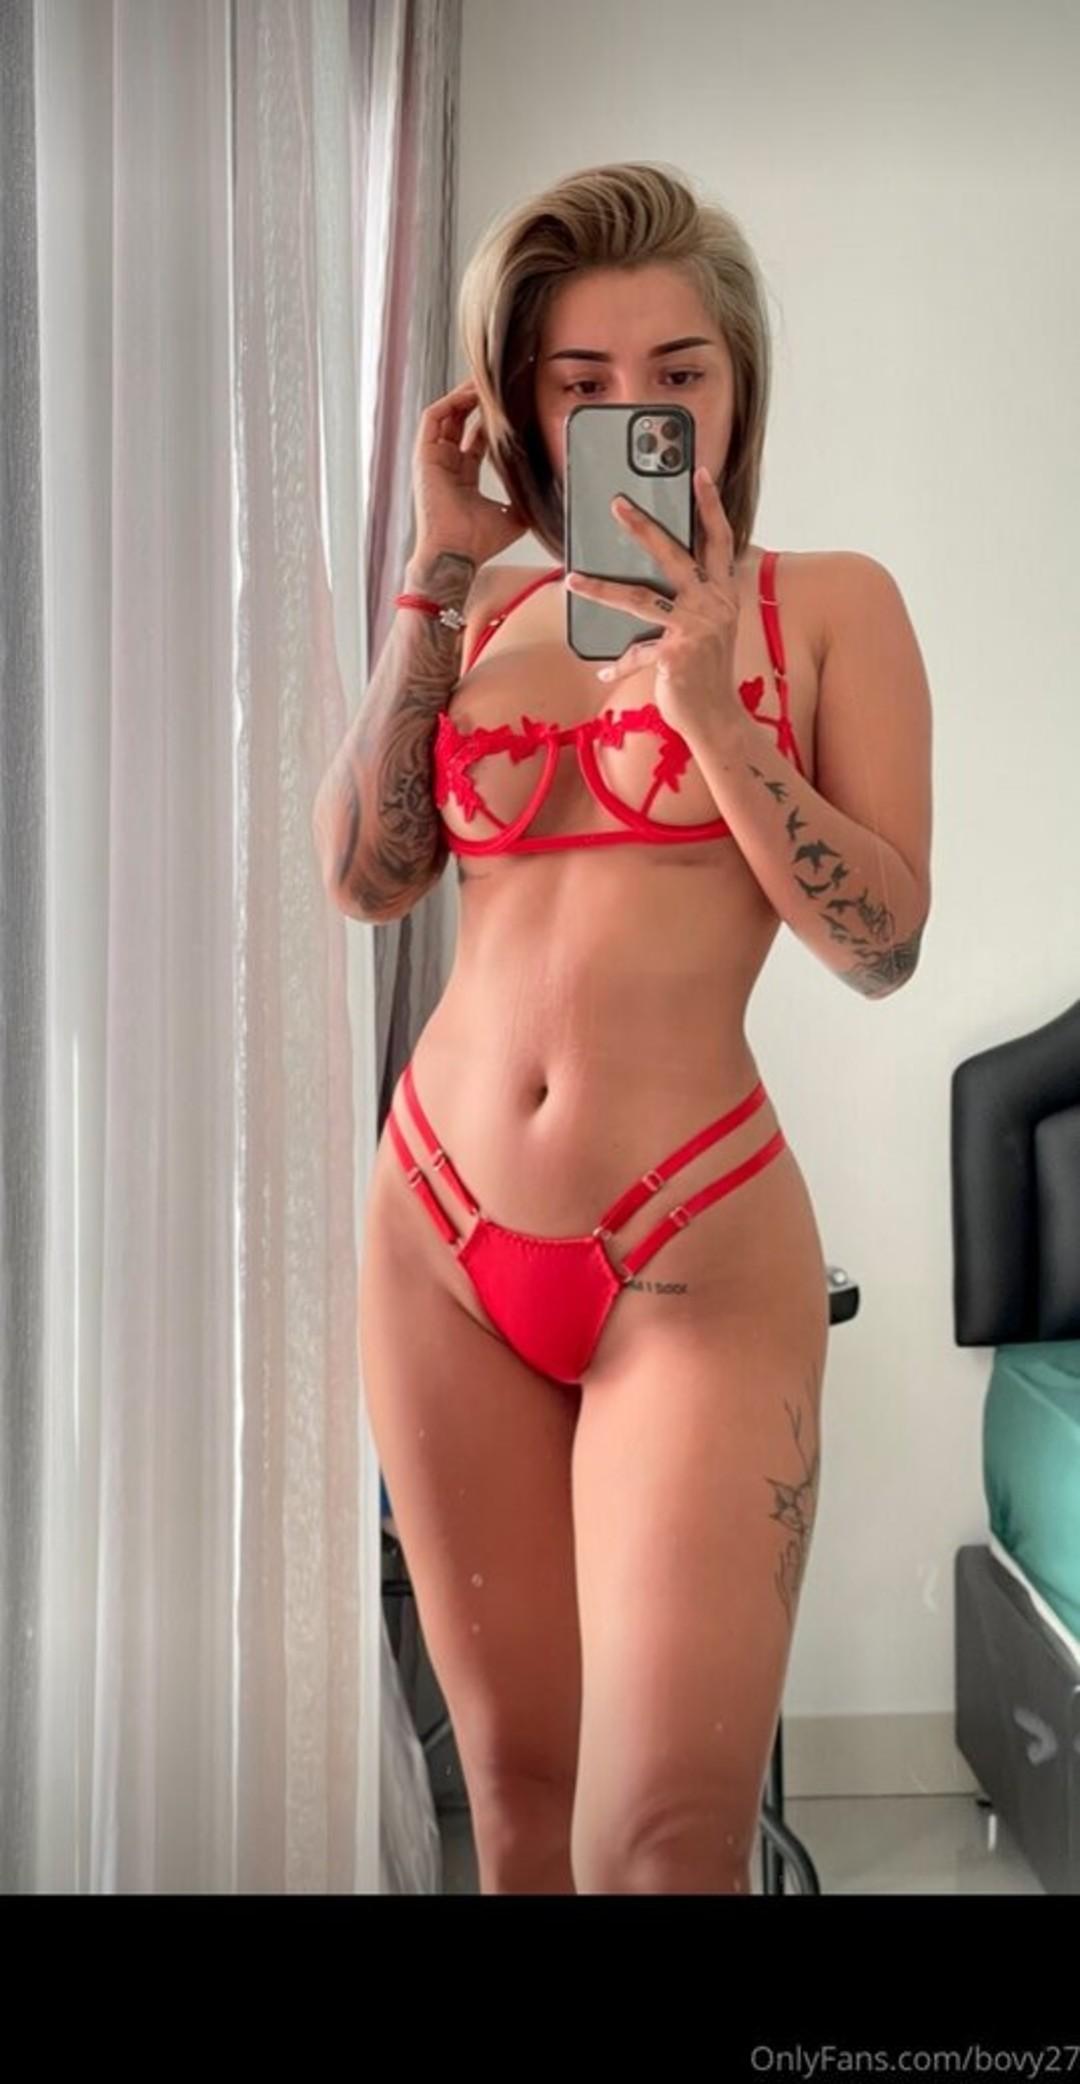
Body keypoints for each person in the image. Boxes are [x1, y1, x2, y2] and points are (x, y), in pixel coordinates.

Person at [313, 161, 933, 1894]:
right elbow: (366, 879)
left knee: (664, 1845)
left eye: (678, 374)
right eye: (581, 382)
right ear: (523, 407)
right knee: (514, 1806)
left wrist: (715, 709)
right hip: (437, 1233)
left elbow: (883, 944)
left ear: (737, 393)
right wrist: (435, 572)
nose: (633, 411)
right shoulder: (492, 615)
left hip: (693, 1251)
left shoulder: (836, 609)